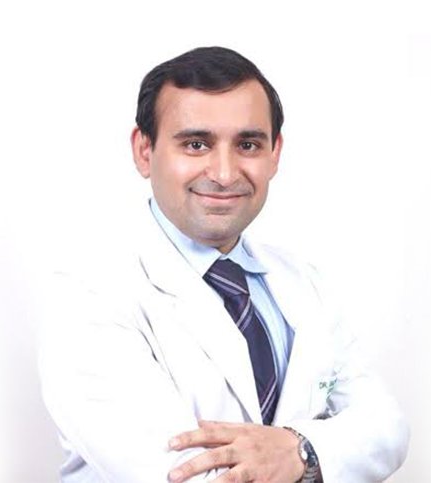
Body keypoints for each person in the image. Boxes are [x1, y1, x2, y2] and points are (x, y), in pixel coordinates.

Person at [39, 46, 410, 482]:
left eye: (248, 145)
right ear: (143, 150)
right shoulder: (89, 296)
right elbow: (182, 475)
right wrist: (324, 453)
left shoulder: (303, 282)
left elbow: (387, 430)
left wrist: (301, 449)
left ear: (275, 153)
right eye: (196, 144)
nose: (224, 173)